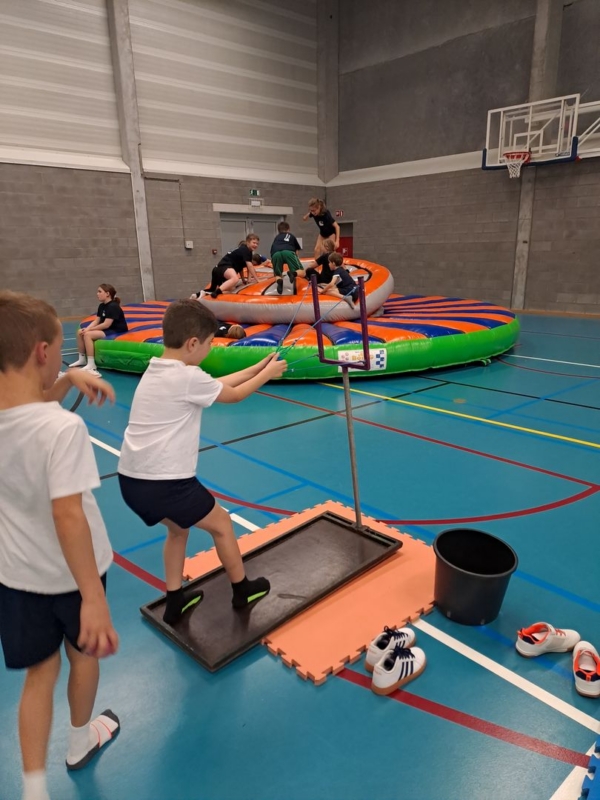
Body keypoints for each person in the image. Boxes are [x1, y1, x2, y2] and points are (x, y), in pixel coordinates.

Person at [0, 291, 120, 800]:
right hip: (74, 579)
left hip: (17, 578)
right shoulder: (62, 429)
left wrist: (68, 380)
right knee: (83, 657)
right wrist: (93, 598)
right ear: (43, 351)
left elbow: (22, 409)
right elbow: (68, 515)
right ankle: (79, 741)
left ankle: (33, 788)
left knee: (38, 675)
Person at [117, 300, 287, 626]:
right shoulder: (187, 377)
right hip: (165, 483)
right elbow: (233, 396)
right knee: (221, 524)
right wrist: (268, 375)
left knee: (178, 530)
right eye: (209, 344)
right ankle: (242, 590)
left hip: (131, 481)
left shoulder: (158, 368)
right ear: (193, 343)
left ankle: (175, 600)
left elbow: (218, 385)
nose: (210, 350)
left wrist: (257, 367)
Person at [69, 284, 128, 377]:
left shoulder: (113, 306)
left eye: (100, 291)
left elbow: (106, 324)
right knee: (80, 332)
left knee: (88, 335)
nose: (97, 294)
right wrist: (87, 329)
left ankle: (91, 364)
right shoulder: (102, 306)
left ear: (107, 294)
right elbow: (97, 320)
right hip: (108, 328)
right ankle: (82, 359)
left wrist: (89, 330)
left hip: (116, 330)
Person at [270, 221, 303, 295]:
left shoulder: (276, 237)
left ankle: (279, 281)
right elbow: (296, 251)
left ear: (279, 230)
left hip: (276, 254)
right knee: (302, 271)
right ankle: (292, 273)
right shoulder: (291, 236)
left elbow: (272, 251)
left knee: (278, 274)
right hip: (288, 252)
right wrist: (296, 260)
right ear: (288, 229)